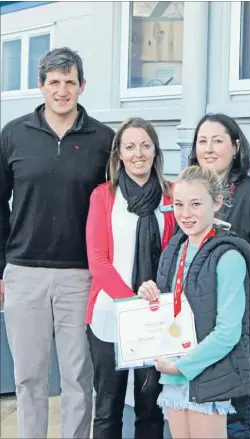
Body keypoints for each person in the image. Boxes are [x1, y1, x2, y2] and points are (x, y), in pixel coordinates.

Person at [0, 47, 114, 439]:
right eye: (54, 82)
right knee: (29, 377)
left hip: (80, 276)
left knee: (78, 378)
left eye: (70, 82)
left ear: (82, 86)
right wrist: (1, 269)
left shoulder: (103, 139)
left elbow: (116, 206)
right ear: (41, 86)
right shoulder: (14, 134)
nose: (62, 90)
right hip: (23, 273)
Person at [138, 165, 250, 439]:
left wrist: (182, 365)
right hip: (174, 376)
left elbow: (228, 332)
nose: (185, 214)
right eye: (178, 204)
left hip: (208, 376)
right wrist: (149, 292)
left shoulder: (228, 257)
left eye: (195, 204)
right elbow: (170, 307)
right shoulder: (173, 250)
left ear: (216, 203)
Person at [85, 117, 176, 439]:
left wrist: (150, 307)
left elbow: (175, 257)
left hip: (156, 320)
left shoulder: (171, 196)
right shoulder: (103, 196)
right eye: (130, 146)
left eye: (145, 145)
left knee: (150, 408)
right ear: (119, 154)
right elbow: (98, 261)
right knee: (108, 410)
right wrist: (132, 304)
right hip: (110, 316)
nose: (139, 153)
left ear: (155, 151)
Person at [188, 113, 250, 439]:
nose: (209, 149)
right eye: (202, 141)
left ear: (235, 147)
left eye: (218, 140)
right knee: (209, 417)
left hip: (249, 330)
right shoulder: (191, 200)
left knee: (235, 420)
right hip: (204, 334)